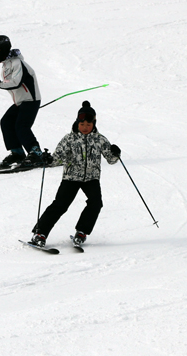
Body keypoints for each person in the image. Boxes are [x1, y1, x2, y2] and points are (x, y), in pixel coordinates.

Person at [29, 101, 120, 248]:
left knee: (96, 203)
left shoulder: (100, 139)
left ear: (94, 124)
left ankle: (82, 232)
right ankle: (40, 233)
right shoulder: (69, 139)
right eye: (82, 124)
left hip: (91, 178)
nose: (85, 128)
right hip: (71, 178)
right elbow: (57, 159)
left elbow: (111, 159)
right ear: (77, 122)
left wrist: (116, 153)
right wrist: (49, 159)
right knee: (60, 205)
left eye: (89, 125)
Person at [0, 35, 47, 167]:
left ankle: (36, 154)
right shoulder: (7, 64)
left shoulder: (18, 63)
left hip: (30, 100)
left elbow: (16, 83)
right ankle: (17, 153)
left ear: (4, 49)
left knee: (21, 127)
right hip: (20, 102)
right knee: (6, 122)